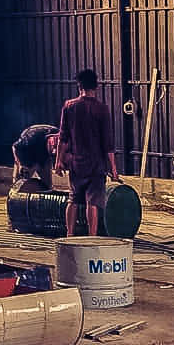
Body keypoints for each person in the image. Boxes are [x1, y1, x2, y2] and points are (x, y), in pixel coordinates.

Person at [54, 68, 119, 237]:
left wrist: (58, 161)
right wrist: (113, 169)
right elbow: (108, 143)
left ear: (79, 86)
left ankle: (69, 234)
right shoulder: (102, 109)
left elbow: (63, 137)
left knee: (73, 199)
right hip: (96, 165)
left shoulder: (69, 106)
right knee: (93, 202)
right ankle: (91, 236)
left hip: (77, 163)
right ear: (96, 87)